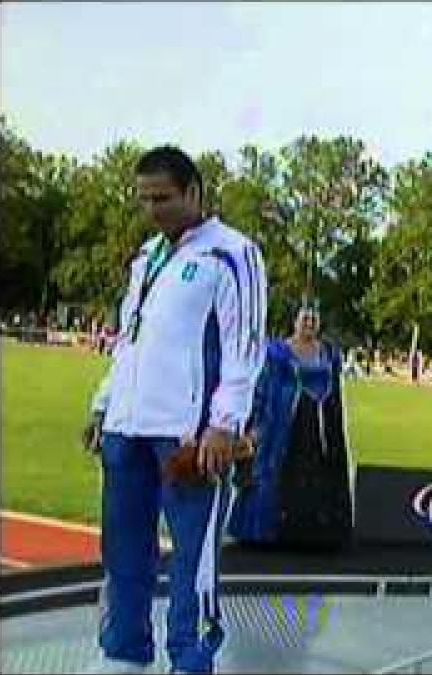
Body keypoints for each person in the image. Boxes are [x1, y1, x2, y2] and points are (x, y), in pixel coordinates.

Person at [81, 145, 268, 674]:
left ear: (194, 192)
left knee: (193, 560)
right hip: (128, 426)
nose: (152, 209)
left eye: (162, 198)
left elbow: (245, 346)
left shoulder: (232, 254)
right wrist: (104, 404)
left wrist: (224, 423)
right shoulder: (147, 257)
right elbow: (128, 340)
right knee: (123, 550)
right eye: (144, 199)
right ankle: (123, 652)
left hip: (187, 437)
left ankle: (190, 658)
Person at [226, 303, 355, 548]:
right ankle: (267, 533)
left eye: (314, 318)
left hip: (320, 427)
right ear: (294, 321)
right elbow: (264, 388)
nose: (309, 322)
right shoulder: (276, 352)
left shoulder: (328, 353)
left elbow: (335, 390)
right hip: (284, 425)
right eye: (304, 318)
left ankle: (314, 534)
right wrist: (257, 428)